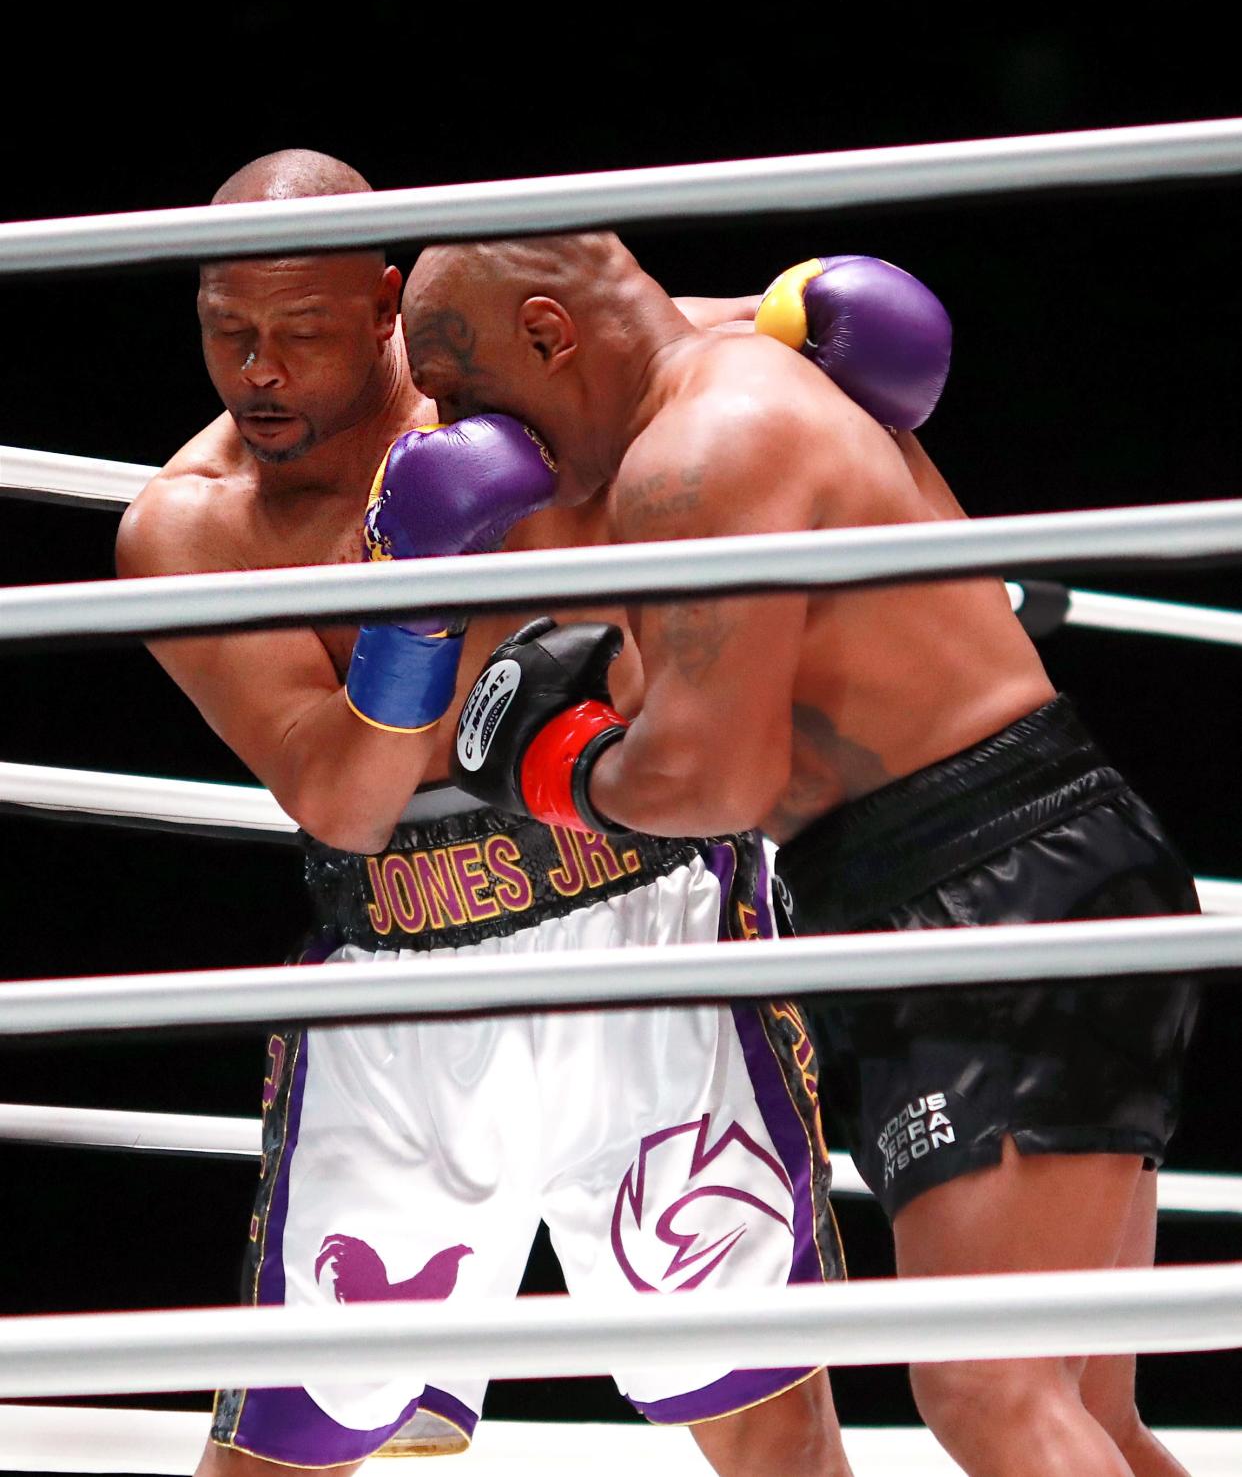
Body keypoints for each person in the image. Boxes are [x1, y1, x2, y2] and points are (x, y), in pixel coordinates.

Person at [117, 152, 945, 1475]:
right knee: (285, 1443)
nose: (260, 372)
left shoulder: (530, 372)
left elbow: (745, 344)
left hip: (647, 937)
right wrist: (417, 591)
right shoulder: (195, 530)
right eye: (229, 333)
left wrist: (806, 319)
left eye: (303, 333)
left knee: (769, 1423)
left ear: (387, 301)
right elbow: (340, 796)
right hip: (395, 994)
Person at [403, 232, 1200, 1477]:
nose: (469, 440)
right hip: (1007, 865)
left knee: (989, 1392)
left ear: (551, 334)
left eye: (461, 396)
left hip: (985, 889)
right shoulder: (744, 367)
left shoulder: (697, 455)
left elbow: (711, 780)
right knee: (1082, 1410)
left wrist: (546, 766)